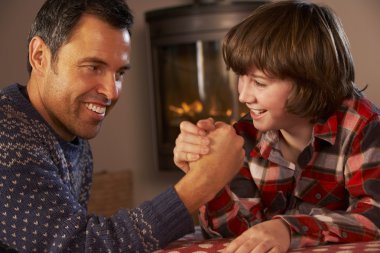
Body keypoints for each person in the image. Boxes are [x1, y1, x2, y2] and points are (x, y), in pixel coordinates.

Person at [0, 0, 245, 252]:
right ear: (39, 56)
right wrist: (203, 182)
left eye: (119, 73)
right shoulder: (6, 137)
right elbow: (81, 246)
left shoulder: (71, 136)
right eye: (93, 67)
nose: (111, 91)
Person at [173, 1, 380, 253]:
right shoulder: (245, 136)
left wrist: (288, 229)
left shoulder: (364, 127)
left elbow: (374, 216)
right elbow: (238, 233)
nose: (243, 96)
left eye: (259, 83)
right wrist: (210, 177)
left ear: (310, 82)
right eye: (241, 77)